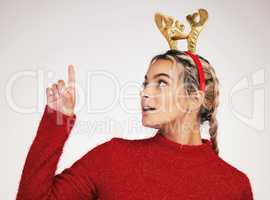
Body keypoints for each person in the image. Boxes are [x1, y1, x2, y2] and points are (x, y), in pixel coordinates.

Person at [16, 9, 254, 200]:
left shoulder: (235, 185)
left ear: (194, 99)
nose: (145, 93)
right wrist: (56, 119)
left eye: (161, 83)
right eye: (145, 83)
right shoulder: (112, 158)